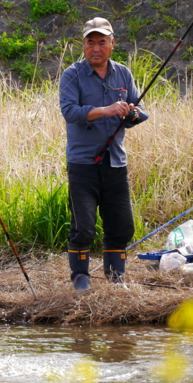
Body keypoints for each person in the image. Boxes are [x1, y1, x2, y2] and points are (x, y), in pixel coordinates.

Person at [59, 17, 148, 291]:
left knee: (121, 226)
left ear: (112, 44)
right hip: (83, 163)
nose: (95, 48)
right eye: (90, 42)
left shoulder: (124, 73)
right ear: (83, 45)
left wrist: (132, 113)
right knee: (83, 227)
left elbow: (138, 110)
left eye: (101, 42)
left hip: (115, 163)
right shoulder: (71, 75)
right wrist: (107, 110)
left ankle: (116, 278)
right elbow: (70, 112)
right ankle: (80, 279)